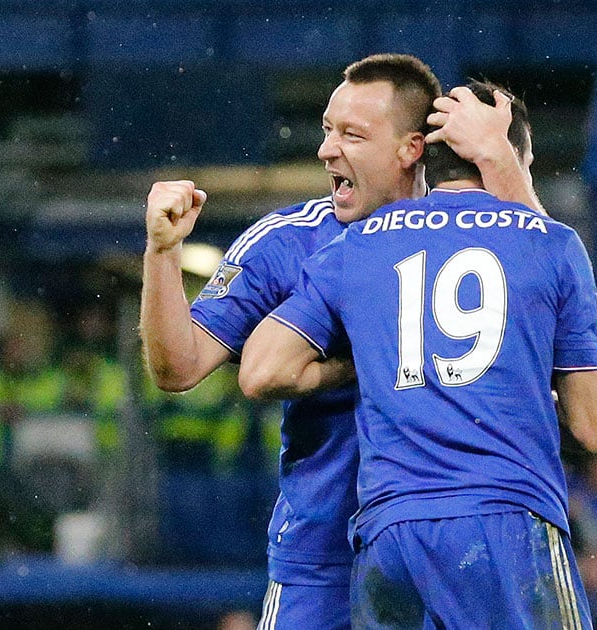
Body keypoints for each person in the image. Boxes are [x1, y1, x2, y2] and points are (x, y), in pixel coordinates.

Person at [141, 55, 545, 629]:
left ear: (412, 148)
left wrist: (504, 161)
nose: (328, 149)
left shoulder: (470, 243)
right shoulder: (286, 242)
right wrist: (161, 253)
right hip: (320, 558)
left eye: (352, 134)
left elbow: (551, 287)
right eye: (327, 129)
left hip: (445, 555)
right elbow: (177, 368)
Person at [238, 81, 597, 627]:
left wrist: (360, 366)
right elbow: (593, 426)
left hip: (390, 534)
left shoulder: (358, 245)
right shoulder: (552, 246)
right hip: (505, 519)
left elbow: (262, 370)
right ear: (516, 157)